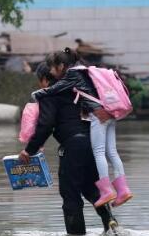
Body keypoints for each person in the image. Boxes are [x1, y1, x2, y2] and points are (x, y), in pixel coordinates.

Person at [19, 62, 118, 235]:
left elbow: (46, 125)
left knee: (70, 195)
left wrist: (30, 150)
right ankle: (110, 223)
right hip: (93, 145)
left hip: (72, 147)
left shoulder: (49, 94)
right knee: (93, 189)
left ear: (43, 80)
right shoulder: (77, 90)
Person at [31, 48, 133, 208]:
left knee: (99, 152)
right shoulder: (85, 71)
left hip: (98, 115)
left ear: (61, 65)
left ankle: (107, 191)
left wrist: (38, 94)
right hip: (110, 112)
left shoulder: (72, 74)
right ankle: (123, 189)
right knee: (112, 152)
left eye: (52, 67)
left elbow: (55, 89)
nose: (51, 71)